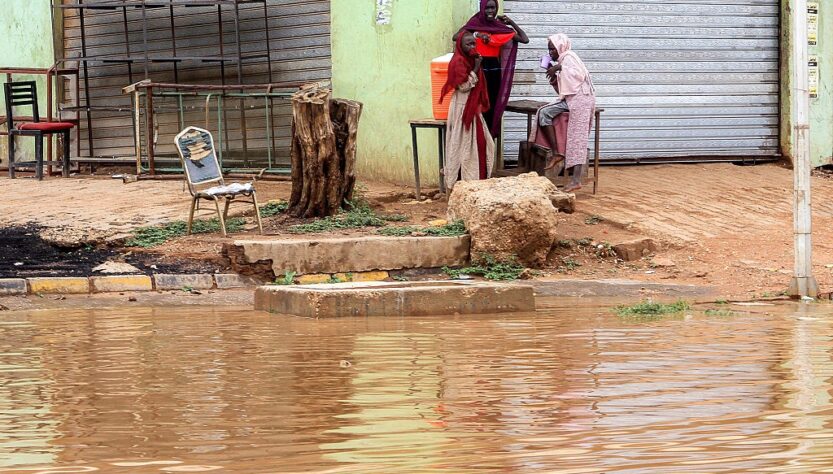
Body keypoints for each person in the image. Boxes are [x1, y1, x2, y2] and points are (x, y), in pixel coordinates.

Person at [454, 0, 529, 138]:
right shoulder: (475, 23)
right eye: (487, 8)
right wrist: (476, 34)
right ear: (482, 8)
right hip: (478, 65)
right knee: (478, 102)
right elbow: (456, 37)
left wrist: (510, 22)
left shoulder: (498, 26)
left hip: (494, 68)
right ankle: (476, 138)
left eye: (493, 8)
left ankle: (489, 139)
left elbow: (524, 39)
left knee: (492, 103)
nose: (490, 11)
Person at [440, 32, 495, 190]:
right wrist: (477, 67)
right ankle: (463, 184)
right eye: (468, 44)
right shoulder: (458, 62)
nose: (472, 47)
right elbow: (463, 86)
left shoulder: (472, 59)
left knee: (481, 144)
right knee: (463, 146)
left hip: (473, 108)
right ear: (460, 46)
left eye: (473, 44)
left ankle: (478, 182)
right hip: (462, 108)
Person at [546, 33, 595, 192]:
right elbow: (564, 89)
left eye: (553, 49)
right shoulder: (563, 61)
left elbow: (578, 75)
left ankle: (576, 180)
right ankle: (557, 153)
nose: (551, 53)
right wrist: (554, 77)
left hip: (582, 100)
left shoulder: (569, 57)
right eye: (549, 50)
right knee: (544, 114)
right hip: (572, 100)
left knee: (578, 139)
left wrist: (559, 68)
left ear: (561, 47)